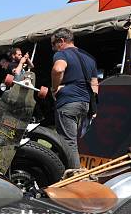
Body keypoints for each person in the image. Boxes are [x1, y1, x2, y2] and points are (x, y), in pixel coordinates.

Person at [40, 28, 98, 169]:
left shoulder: (62, 54)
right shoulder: (89, 57)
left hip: (68, 102)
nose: (53, 48)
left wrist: (55, 88)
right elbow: (95, 85)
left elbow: (58, 69)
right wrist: (94, 107)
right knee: (71, 141)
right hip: (85, 104)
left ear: (61, 41)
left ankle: (74, 176)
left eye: (54, 44)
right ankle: (60, 168)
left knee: (68, 143)